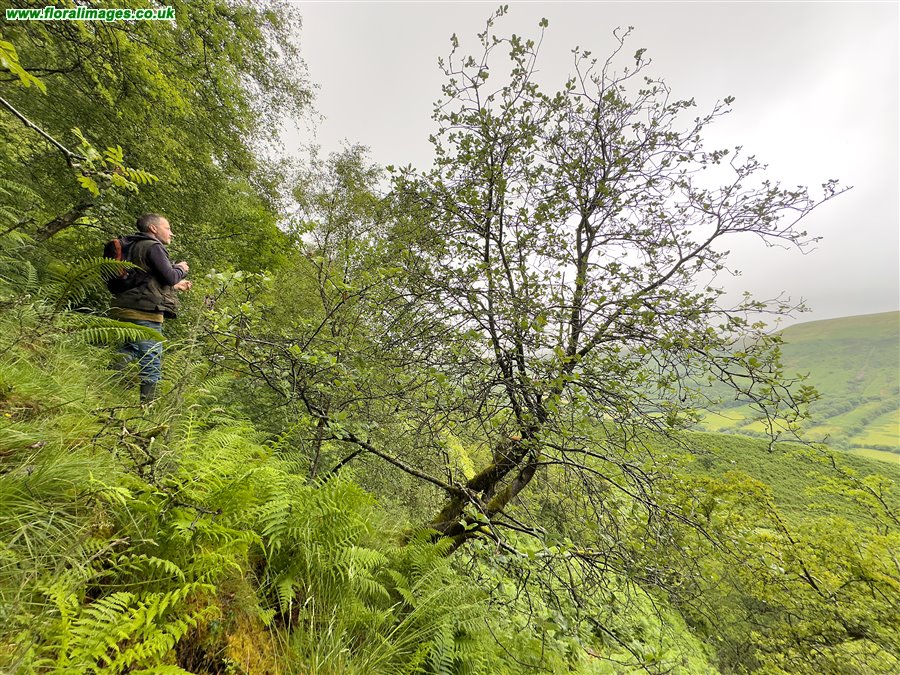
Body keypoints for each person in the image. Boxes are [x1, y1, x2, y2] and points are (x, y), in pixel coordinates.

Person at [109, 213, 192, 403]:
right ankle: (148, 409)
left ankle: (108, 392)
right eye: (168, 228)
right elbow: (170, 276)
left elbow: (144, 277)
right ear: (153, 229)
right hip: (144, 313)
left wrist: (175, 285)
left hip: (123, 308)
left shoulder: (133, 245)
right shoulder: (153, 246)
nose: (171, 233)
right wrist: (181, 269)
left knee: (127, 349)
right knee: (151, 360)